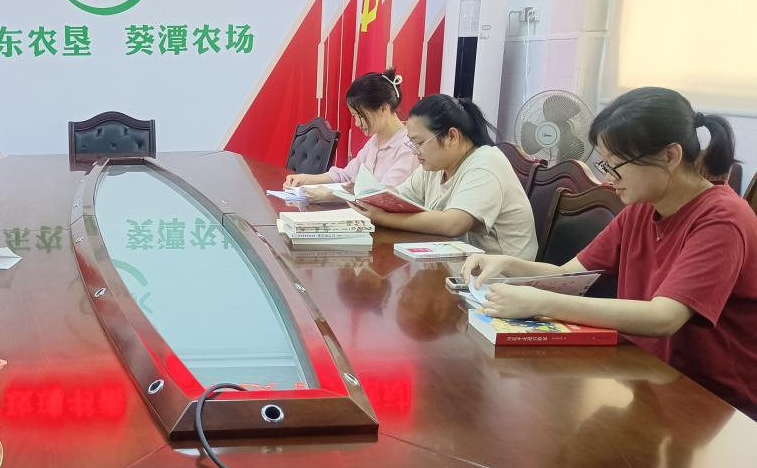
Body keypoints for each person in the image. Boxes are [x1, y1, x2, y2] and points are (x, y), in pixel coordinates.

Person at [463, 87, 757, 418]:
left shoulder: (722, 218)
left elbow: (664, 317)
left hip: (712, 400)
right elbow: (569, 275)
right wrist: (506, 263)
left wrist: (539, 302)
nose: (608, 177)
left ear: (670, 156)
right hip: (648, 376)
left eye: (616, 166)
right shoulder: (643, 207)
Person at [357, 94, 538, 260]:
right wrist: (373, 200)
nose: (415, 152)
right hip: (458, 263)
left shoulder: (486, 163)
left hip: (499, 276)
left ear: (452, 136)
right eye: (412, 144)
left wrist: (381, 218)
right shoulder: (435, 165)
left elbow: (453, 224)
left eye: (420, 143)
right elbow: (397, 198)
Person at [284, 68, 417, 199]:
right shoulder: (375, 141)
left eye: (360, 116)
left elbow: (383, 196)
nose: (357, 123)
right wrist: (306, 179)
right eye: (354, 116)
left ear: (383, 108)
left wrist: (328, 195)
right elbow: (346, 175)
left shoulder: (408, 147)